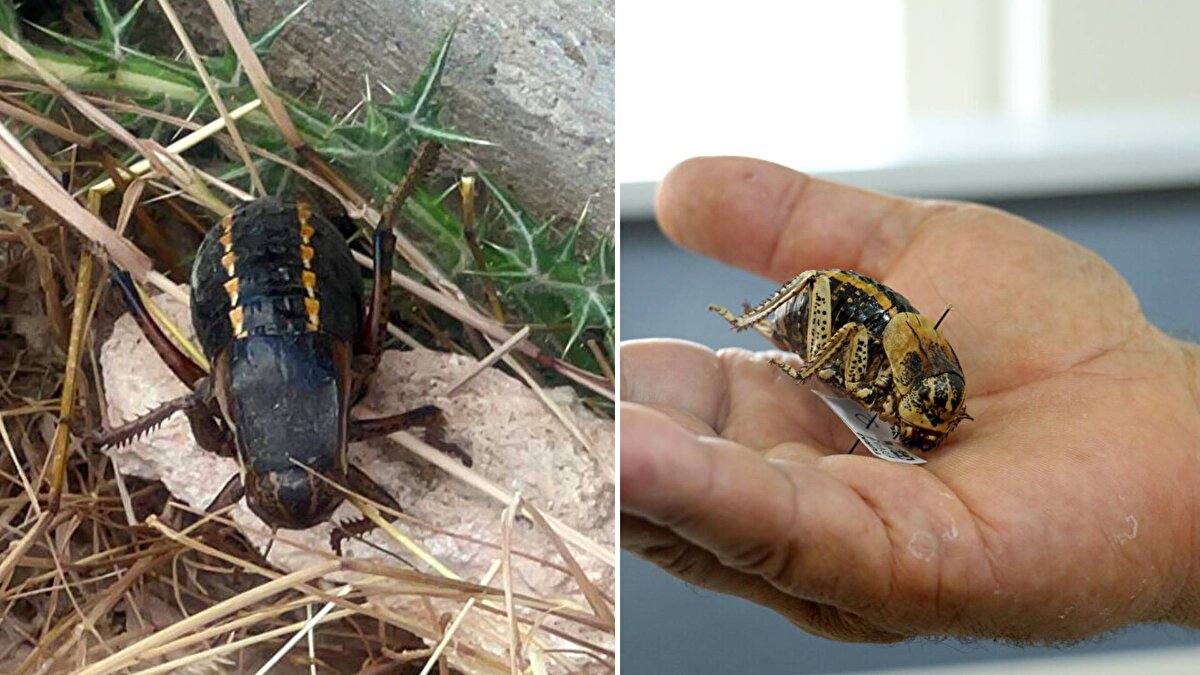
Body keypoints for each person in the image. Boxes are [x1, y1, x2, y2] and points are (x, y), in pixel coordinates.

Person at [621, 156, 1200, 643]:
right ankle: (748, 319)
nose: (932, 433)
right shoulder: (876, 364)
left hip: (877, 336)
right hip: (826, 315)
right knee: (827, 285)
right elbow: (844, 321)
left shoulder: (937, 386)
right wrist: (802, 370)